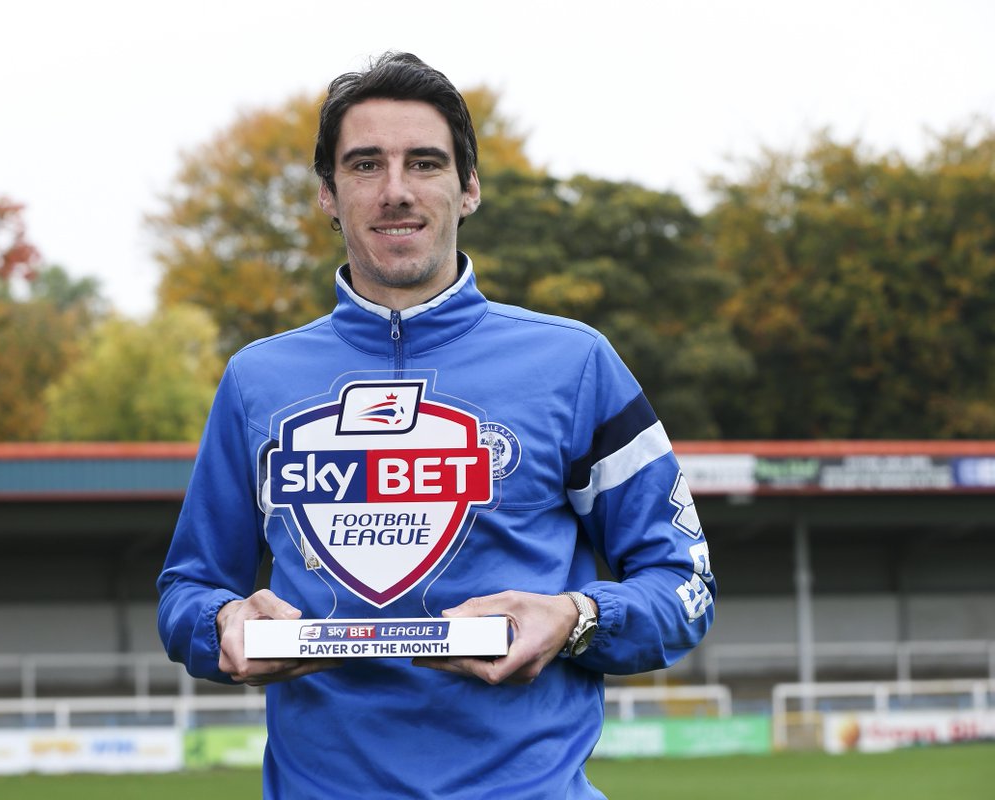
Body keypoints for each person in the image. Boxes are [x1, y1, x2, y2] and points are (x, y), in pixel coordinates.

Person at [158, 51, 716, 799]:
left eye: (424, 163)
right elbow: (187, 588)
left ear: (469, 187)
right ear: (328, 194)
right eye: (364, 166)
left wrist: (577, 616)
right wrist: (221, 621)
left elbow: (685, 586)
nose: (395, 191)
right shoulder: (256, 381)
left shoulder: (577, 364)